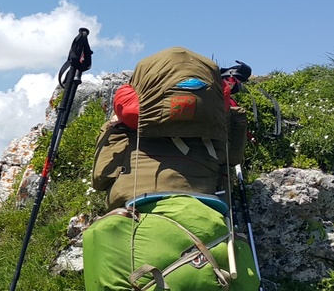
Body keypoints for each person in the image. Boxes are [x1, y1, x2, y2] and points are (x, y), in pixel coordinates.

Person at [92, 49, 250, 210]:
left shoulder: (127, 124)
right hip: (205, 200)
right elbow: (233, 158)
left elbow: (100, 178)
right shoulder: (216, 119)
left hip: (134, 202)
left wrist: (114, 126)